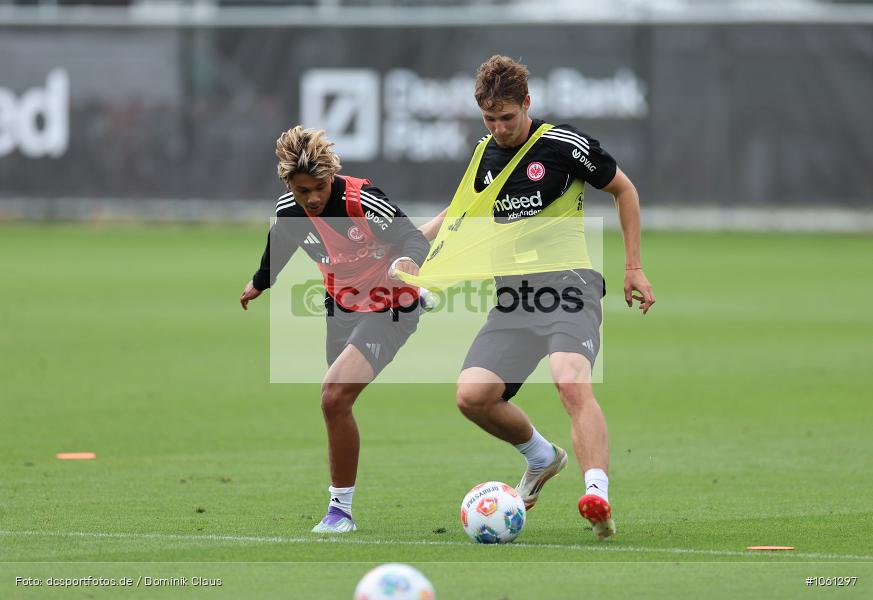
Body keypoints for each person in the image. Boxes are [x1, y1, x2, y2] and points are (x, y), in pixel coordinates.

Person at [419, 56, 656, 540]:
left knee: (570, 383)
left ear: (527, 104)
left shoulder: (562, 144)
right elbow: (460, 214)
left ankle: (597, 494)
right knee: (472, 397)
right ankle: (542, 456)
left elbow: (624, 190)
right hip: (514, 298)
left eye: (508, 117)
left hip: (570, 286)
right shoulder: (484, 153)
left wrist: (633, 267)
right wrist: (411, 247)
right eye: (490, 119)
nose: (500, 128)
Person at [240, 126, 429, 533]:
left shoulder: (360, 199)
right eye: (302, 188)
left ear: (331, 178)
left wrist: (411, 268)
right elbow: (282, 242)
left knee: (332, 397)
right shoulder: (291, 208)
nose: (312, 197)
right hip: (342, 305)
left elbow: (412, 237)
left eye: (319, 187)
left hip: (390, 303)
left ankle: (339, 513)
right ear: (289, 183)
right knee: (337, 403)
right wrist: (260, 282)